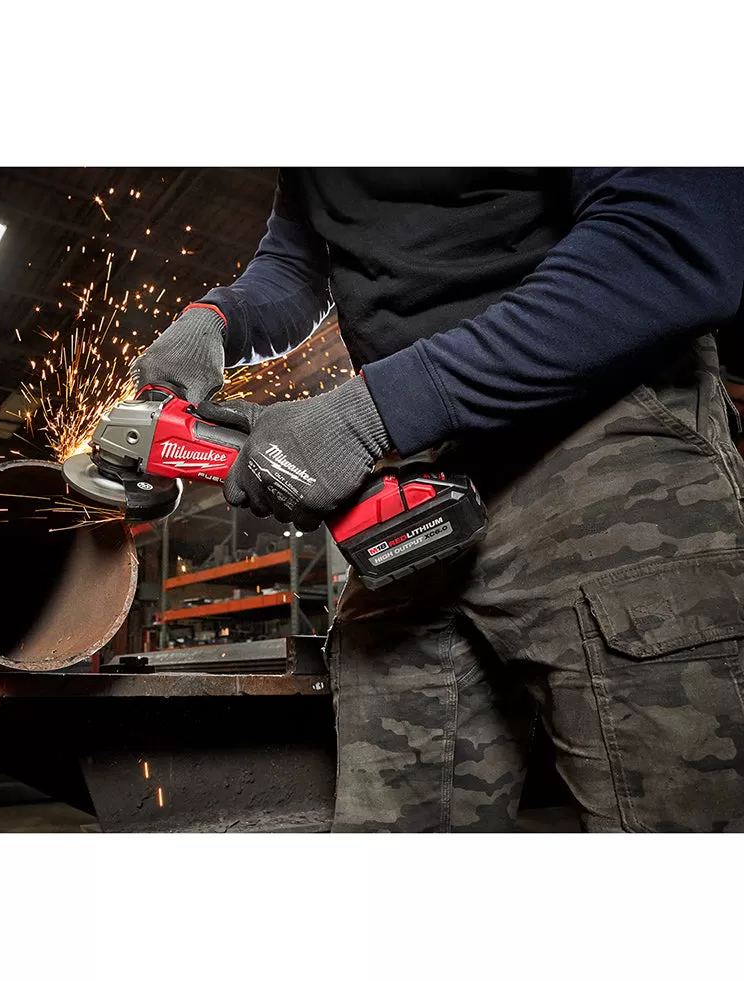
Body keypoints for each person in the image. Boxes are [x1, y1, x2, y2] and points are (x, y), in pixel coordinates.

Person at [132, 168, 744, 832]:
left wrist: (369, 414)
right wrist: (219, 318)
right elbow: (296, 265)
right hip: (420, 479)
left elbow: (670, 241)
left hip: (601, 448)